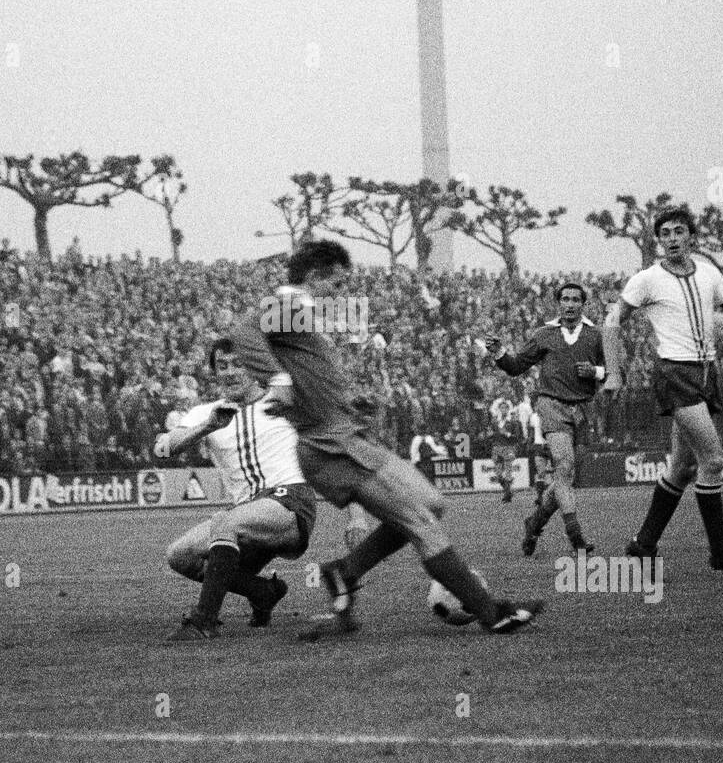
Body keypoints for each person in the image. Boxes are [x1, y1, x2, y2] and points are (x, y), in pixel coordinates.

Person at [231, 239, 542, 637]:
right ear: (315, 276)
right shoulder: (291, 303)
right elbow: (243, 332)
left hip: (346, 434)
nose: (340, 294)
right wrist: (278, 379)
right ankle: (492, 613)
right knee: (419, 521)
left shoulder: (304, 313)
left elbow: (308, 372)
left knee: (431, 503)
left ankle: (345, 572)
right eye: (337, 284)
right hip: (332, 446)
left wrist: (348, 400)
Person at [607, 208, 723, 578]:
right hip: (675, 375)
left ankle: (643, 544)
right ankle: (721, 551)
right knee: (713, 461)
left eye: (678, 231)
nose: (670, 238)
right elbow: (611, 321)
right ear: (658, 240)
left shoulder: (709, 273)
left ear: (691, 237)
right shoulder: (647, 279)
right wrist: (614, 374)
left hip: (706, 372)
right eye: (664, 233)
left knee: (682, 468)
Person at [158, 338, 316, 640]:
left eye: (238, 364)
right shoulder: (204, 413)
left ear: (254, 366)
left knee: (227, 523)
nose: (230, 372)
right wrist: (207, 427)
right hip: (245, 513)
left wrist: (356, 516)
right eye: (223, 366)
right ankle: (263, 591)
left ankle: (204, 621)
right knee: (179, 556)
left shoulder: (282, 402)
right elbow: (164, 450)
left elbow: (333, 439)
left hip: (289, 502)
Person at [485, 282, 604, 557]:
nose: (570, 304)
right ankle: (576, 536)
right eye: (565, 299)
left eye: (576, 299)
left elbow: (613, 372)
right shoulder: (544, 334)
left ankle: (534, 523)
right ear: (558, 303)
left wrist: (596, 371)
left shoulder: (596, 335)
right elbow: (516, 367)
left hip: (583, 410)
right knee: (563, 464)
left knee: (565, 476)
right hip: (551, 406)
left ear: (583, 304)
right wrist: (500, 352)